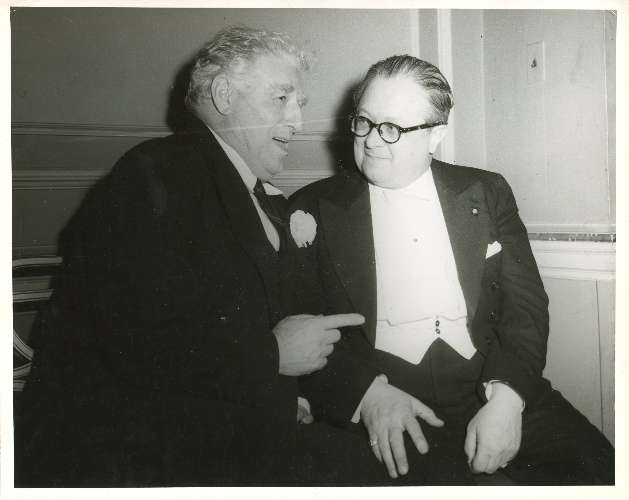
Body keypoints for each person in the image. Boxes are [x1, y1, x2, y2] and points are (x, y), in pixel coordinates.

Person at [16, 26, 389, 487]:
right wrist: (271, 356)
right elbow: (130, 343)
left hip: (212, 430)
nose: (297, 120)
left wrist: (373, 395)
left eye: (300, 103)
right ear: (224, 95)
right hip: (121, 454)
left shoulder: (256, 194)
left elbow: (280, 323)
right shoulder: (154, 173)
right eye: (281, 98)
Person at [282, 54, 614, 485]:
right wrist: (367, 395)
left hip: (488, 378)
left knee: (598, 466)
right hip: (385, 390)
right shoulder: (311, 208)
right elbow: (299, 327)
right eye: (363, 122)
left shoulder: (486, 191)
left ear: (435, 134)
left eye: (392, 128)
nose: (371, 141)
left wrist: (508, 398)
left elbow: (526, 307)